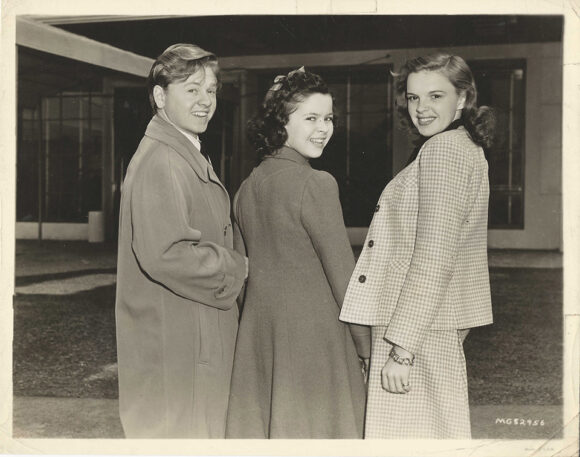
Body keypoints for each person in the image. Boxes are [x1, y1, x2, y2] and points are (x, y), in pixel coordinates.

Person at [340, 53, 496, 439]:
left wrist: (401, 349)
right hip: (431, 321)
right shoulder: (460, 146)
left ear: (462, 99)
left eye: (435, 96)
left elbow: (434, 258)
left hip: (417, 328)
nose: (421, 109)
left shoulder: (444, 152)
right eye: (413, 98)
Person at [226, 68, 370, 439]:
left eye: (329, 118)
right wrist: (366, 347)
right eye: (311, 118)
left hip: (261, 339)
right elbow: (344, 278)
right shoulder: (316, 183)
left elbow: (242, 278)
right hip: (316, 343)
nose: (323, 128)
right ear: (280, 124)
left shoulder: (245, 189)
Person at [115, 43, 247, 438]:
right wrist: (239, 266)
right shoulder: (163, 160)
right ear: (160, 96)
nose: (206, 101)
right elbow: (167, 254)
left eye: (211, 90)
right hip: (182, 350)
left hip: (189, 340)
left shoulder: (182, 152)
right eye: (192, 89)